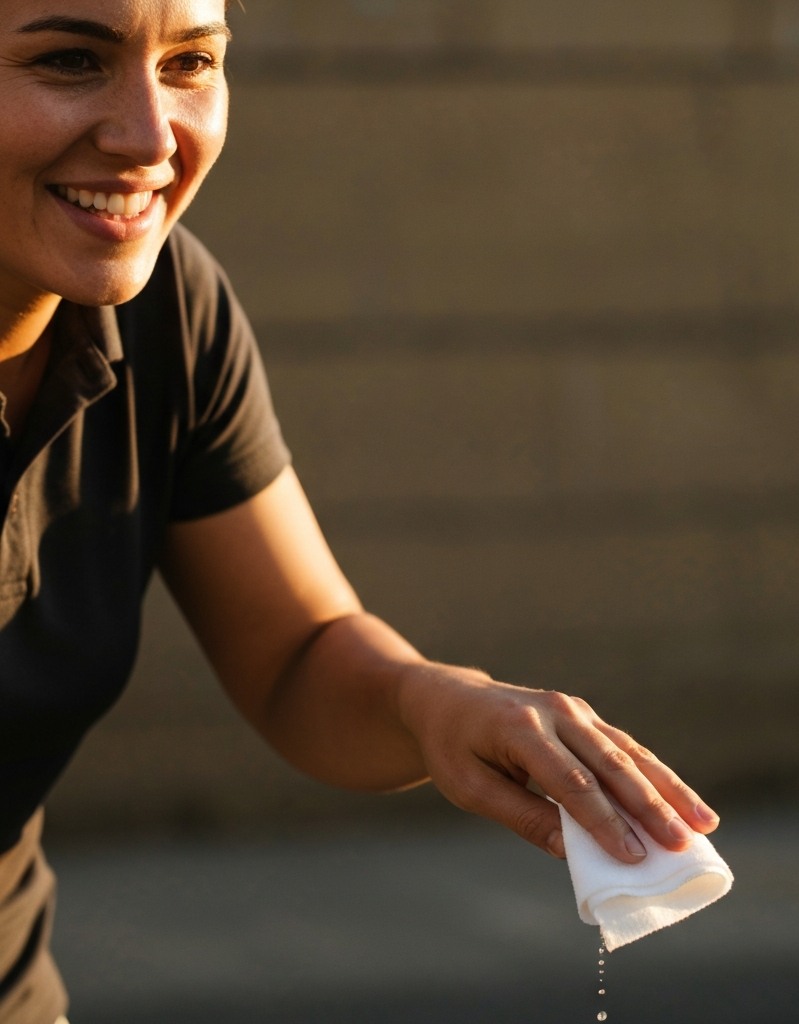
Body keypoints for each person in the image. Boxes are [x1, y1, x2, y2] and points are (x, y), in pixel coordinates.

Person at [0, 2, 720, 1022]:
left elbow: (296, 651)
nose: (152, 137)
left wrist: (438, 704)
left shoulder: (164, 309)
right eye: (70, 60)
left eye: (192, 61)